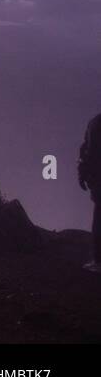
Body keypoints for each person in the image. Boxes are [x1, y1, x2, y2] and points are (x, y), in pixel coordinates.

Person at [79, 111, 101, 273]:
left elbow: (87, 150)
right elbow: (88, 150)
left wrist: (83, 173)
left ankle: (98, 261)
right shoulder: (95, 123)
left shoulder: (95, 122)